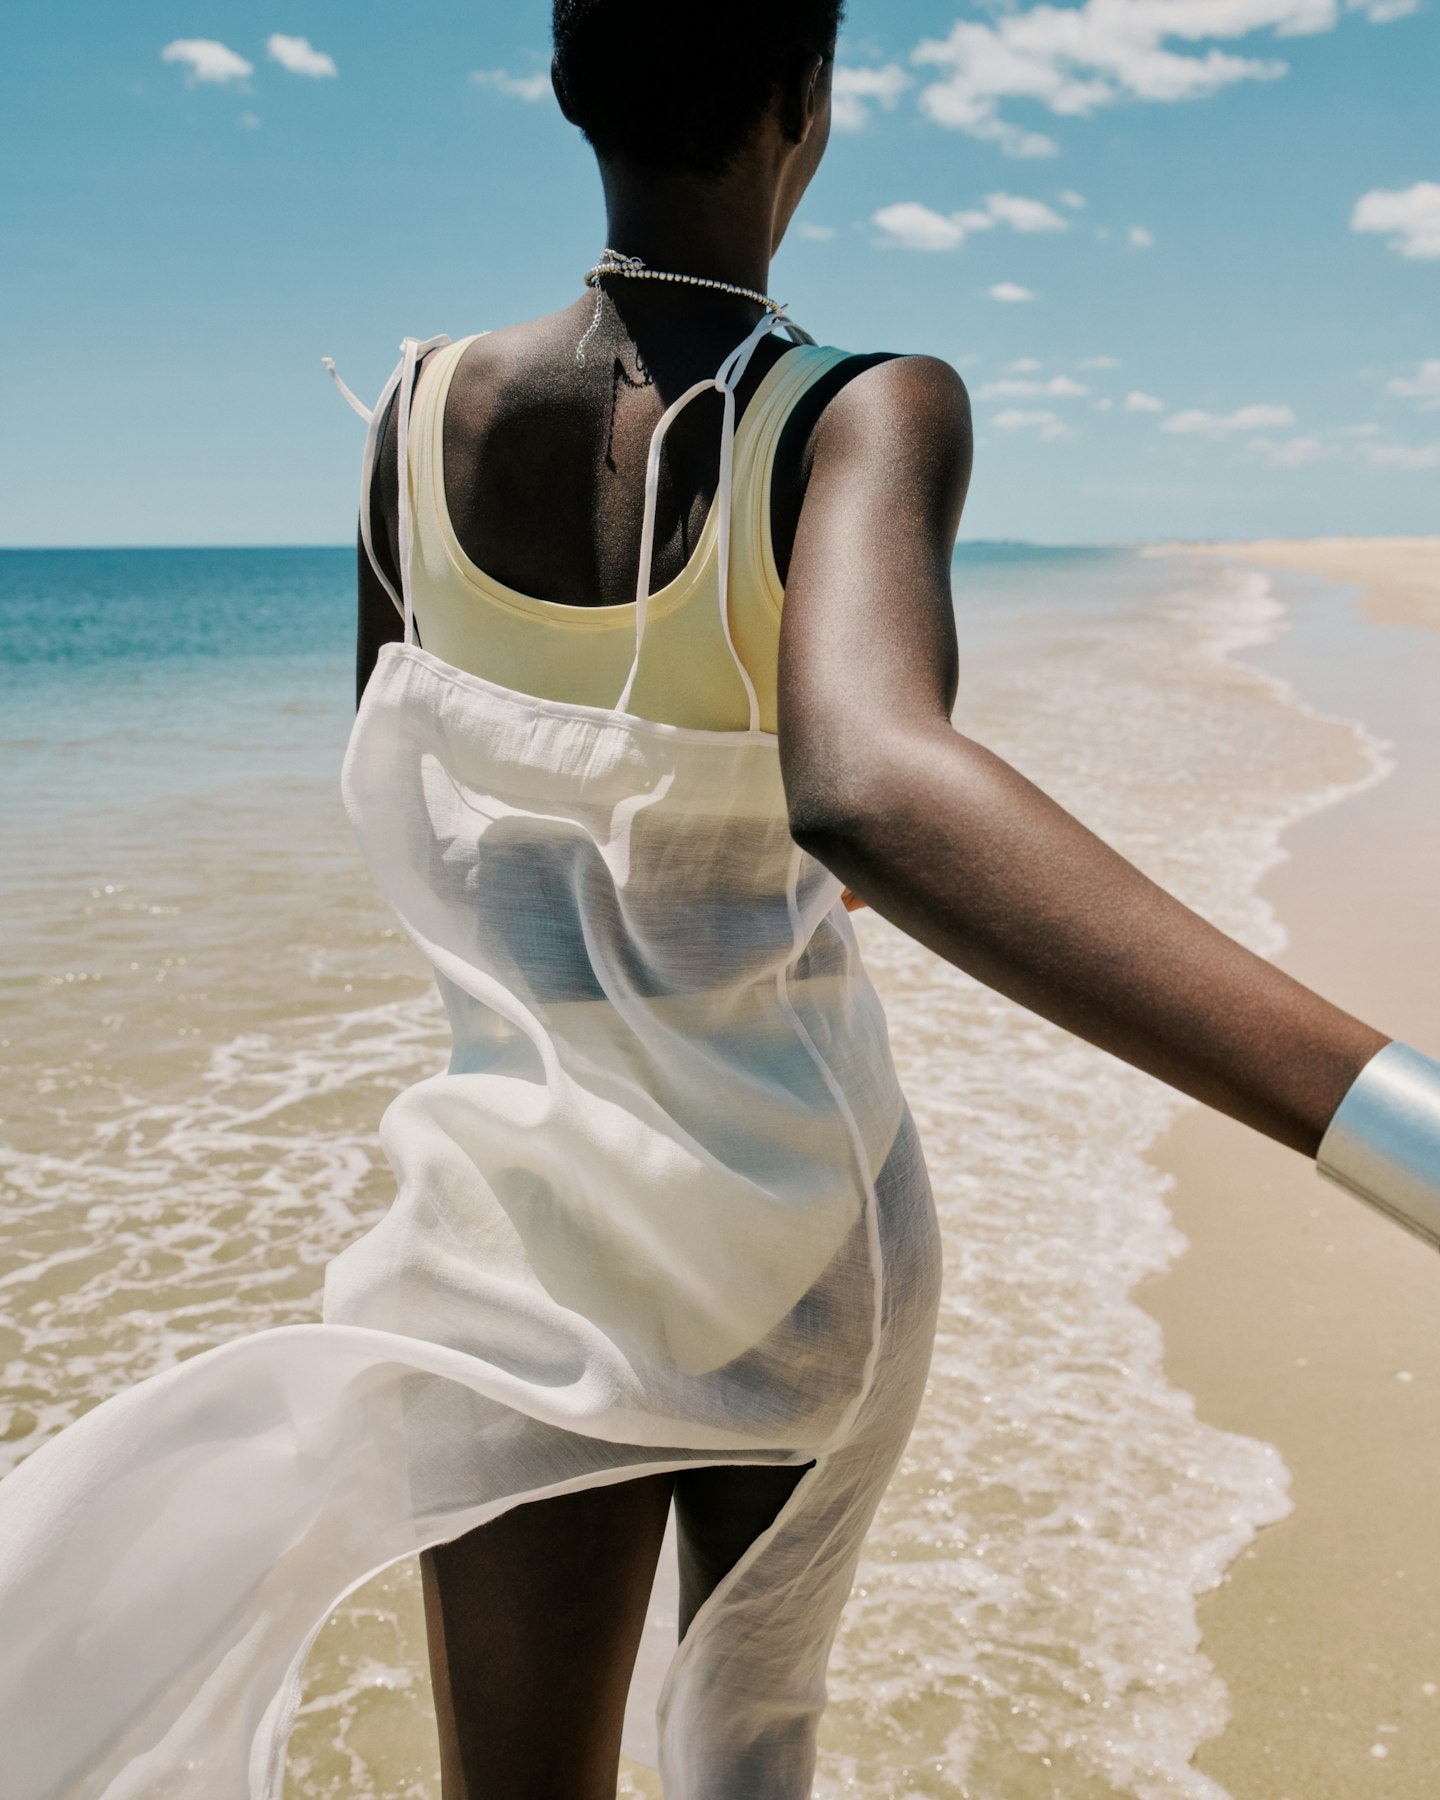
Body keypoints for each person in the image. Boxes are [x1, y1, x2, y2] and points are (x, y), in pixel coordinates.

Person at [0, 4, 1437, 1799]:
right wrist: (1404, 1127)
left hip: (510, 1223)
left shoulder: (413, 420)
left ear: (565, 92)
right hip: (793, 1218)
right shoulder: (860, 413)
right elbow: (868, 781)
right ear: (807, 103)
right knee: (747, 1747)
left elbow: (443, 819)